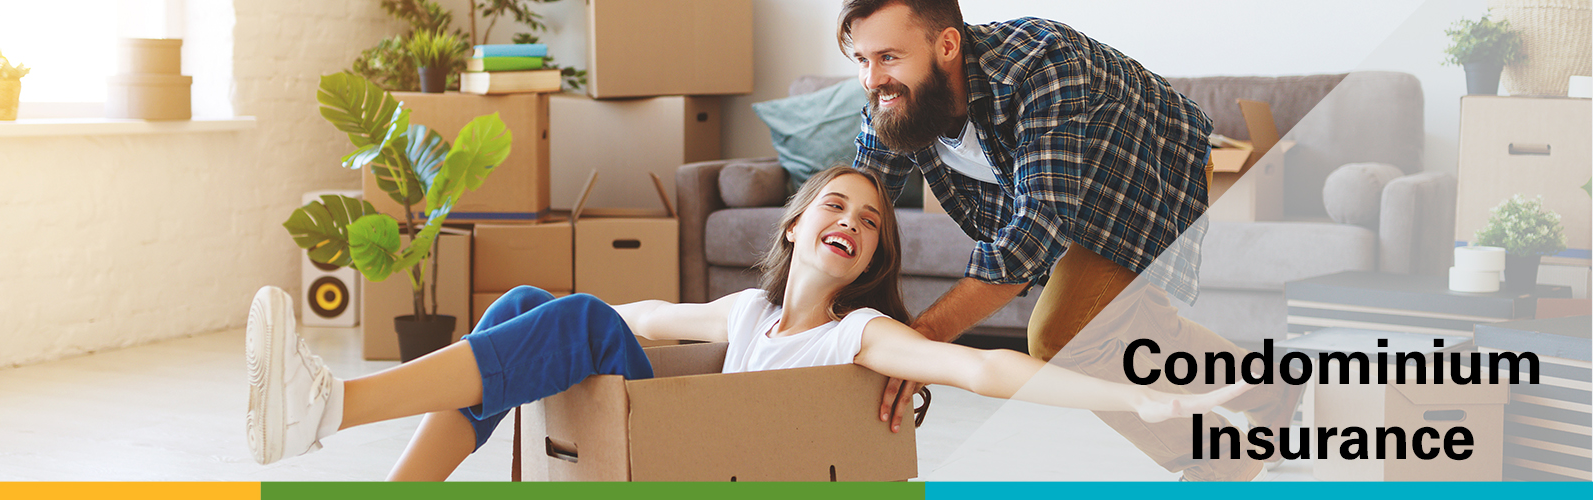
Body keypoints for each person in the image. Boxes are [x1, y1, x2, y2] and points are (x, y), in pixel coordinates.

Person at [248, 167, 1248, 481]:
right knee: (531, 310)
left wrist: (1144, 391)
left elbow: (984, 373)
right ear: (792, 224)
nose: (850, 220)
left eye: (868, 221)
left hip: (699, 462)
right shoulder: (745, 310)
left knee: (577, 317)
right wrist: (529, 321)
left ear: (873, 262)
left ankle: (333, 404)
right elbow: (639, 312)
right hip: (673, 424)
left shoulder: (854, 338)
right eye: (834, 205)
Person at [837, 0, 1301, 480]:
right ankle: (1270, 387)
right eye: (862, 61)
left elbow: (1037, 229)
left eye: (888, 57)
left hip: (1146, 169)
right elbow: (857, 198)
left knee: (1064, 338)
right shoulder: (895, 96)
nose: (872, 79)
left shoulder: (1041, 63)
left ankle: (1218, 456)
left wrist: (924, 341)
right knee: (1138, 329)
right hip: (1067, 188)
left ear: (947, 45)